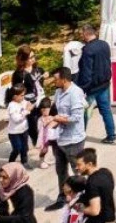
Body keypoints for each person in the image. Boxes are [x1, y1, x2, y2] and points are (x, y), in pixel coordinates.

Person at [44, 68, 87, 212]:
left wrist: (57, 119)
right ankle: (62, 197)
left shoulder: (75, 93)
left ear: (64, 79)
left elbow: (76, 118)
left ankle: (84, 197)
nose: (54, 82)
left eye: (56, 79)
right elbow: (56, 110)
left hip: (73, 140)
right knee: (61, 170)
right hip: (60, 138)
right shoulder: (58, 92)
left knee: (78, 171)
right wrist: (50, 120)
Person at [75, 24, 116, 145]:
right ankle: (111, 135)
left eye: (82, 34)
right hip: (104, 83)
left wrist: (82, 88)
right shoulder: (104, 44)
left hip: (92, 87)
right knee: (106, 110)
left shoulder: (87, 50)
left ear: (86, 34)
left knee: (85, 112)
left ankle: (80, 134)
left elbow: (86, 72)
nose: (81, 37)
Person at [74, 149, 115, 223]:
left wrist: (79, 208)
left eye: (79, 165)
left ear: (89, 164)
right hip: (111, 216)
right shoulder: (106, 171)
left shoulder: (92, 183)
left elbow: (94, 211)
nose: (76, 168)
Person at [5, 86, 33, 167]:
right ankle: (10, 163)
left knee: (24, 148)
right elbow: (16, 119)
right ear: (15, 96)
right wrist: (27, 110)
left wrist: (30, 105)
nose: (23, 97)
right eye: (22, 95)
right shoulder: (12, 106)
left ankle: (24, 162)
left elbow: (29, 105)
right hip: (14, 132)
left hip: (24, 130)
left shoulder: (23, 101)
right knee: (17, 148)